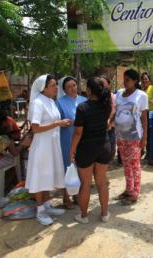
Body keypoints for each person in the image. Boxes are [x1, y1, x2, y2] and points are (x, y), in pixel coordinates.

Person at [25, 74, 71, 226]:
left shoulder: (51, 101)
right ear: (43, 88)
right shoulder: (38, 103)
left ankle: (46, 205)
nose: (56, 88)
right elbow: (35, 128)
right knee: (40, 177)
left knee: (48, 175)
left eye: (56, 85)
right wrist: (57, 123)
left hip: (51, 145)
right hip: (42, 147)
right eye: (52, 85)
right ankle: (40, 210)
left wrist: (59, 123)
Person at [70, 77, 112, 224]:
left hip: (86, 149)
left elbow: (78, 133)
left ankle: (83, 216)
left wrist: (71, 151)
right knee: (101, 182)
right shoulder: (106, 105)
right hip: (104, 146)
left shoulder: (82, 108)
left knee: (86, 183)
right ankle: (105, 214)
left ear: (88, 90)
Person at [114, 69, 148, 205]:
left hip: (134, 136)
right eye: (124, 79)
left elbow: (144, 119)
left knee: (135, 164)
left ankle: (135, 193)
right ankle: (128, 189)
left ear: (135, 81)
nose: (125, 82)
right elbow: (114, 111)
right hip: (121, 135)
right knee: (126, 163)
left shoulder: (141, 95)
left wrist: (145, 137)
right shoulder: (119, 94)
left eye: (128, 80)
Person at [56, 76, 86, 209]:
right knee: (67, 167)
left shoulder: (83, 100)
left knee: (80, 166)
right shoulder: (59, 102)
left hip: (83, 139)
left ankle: (77, 195)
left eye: (74, 85)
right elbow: (57, 122)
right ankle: (66, 197)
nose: (72, 88)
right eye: (69, 86)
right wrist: (69, 122)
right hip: (67, 138)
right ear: (64, 89)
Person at [100, 75, 118, 165]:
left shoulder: (114, 97)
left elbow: (116, 111)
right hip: (100, 128)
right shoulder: (97, 97)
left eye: (103, 83)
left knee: (112, 148)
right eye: (100, 83)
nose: (101, 85)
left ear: (109, 84)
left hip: (111, 127)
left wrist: (110, 122)